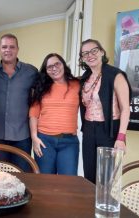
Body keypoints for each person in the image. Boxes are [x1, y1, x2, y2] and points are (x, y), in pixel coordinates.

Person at [79, 39, 132, 183]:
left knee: (106, 178)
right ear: (82, 58)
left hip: (109, 130)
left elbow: (125, 108)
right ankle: (89, 205)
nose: (90, 55)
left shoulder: (116, 75)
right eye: (85, 53)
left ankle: (102, 205)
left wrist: (121, 138)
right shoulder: (85, 78)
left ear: (102, 52)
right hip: (89, 130)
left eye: (93, 51)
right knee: (89, 175)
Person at [0, 33, 38, 172]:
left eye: (12, 47)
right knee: (0, 173)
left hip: (23, 135)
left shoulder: (31, 72)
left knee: (22, 174)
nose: (8, 50)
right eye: (4, 47)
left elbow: (46, 86)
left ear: (17, 49)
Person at [29, 53, 80, 175]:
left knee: (68, 182)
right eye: (49, 67)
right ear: (46, 71)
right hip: (45, 141)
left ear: (63, 64)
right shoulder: (41, 88)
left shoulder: (77, 85)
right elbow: (33, 114)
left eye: (57, 64)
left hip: (69, 142)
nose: (54, 68)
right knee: (45, 182)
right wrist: (34, 138)